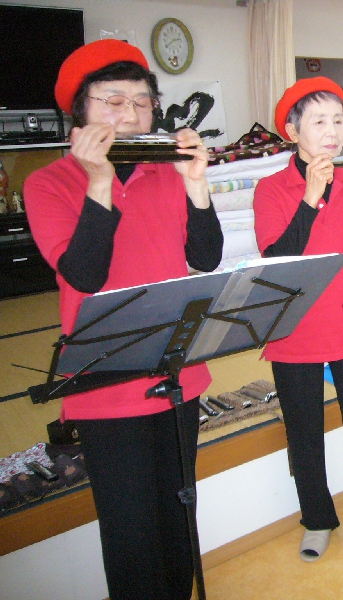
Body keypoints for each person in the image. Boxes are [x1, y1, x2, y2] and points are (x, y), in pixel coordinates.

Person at [23, 40, 223, 599]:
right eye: (112, 101)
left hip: (176, 372)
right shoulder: (47, 183)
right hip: (104, 384)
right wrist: (99, 180)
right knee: (131, 529)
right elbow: (84, 274)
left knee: (180, 512)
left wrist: (196, 184)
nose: (131, 115)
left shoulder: (166, 173)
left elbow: (206, 257)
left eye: (141, 101)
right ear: (79, 113)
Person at [253, 77, 343, 565]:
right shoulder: (271, 189)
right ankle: (316, 519)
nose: (333, 131)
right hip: (293, 333)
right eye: (319, 121)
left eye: (338, 120)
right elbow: (278, 261)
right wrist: (310, 197)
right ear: (293, 131)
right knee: (304, 434)